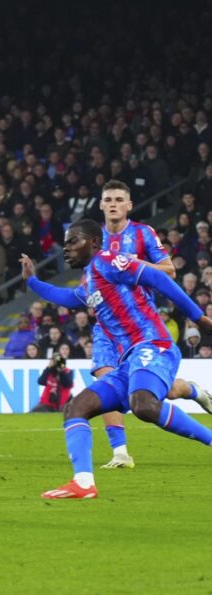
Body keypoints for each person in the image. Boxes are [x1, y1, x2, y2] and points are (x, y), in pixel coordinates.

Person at [21, 219, 212, 499]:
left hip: (153, 344)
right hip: (129, 360)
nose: (66, 248)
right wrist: (32, 281)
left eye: (73, 241)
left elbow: (158, 278)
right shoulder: (90, 279)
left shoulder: (108, 260)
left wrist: (198, 317)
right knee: (75, 408)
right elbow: (67, 297)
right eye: (65, 243)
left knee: (143, 404)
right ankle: (84, 483)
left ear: (95, 243)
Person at [91, 180, 212, 469]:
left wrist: (133, 263)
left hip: (140, 325)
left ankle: (193, 391)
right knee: (105, 378)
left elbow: (169, 270)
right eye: (108, 199)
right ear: (100, 204)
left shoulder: (143, 234)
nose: (113, 204)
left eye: (119, 199)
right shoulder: (93, 238)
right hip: (106, 325)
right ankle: (120, 452)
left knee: (158, 393)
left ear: (129, 205)